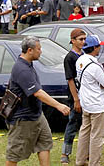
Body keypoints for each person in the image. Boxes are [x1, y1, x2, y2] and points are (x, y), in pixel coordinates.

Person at [5, 36, 70, 166]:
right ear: (30, 50)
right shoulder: (22, 69)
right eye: (39, 49)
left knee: (45, 143)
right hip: (23, 119)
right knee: (15, 154)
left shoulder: (28, 64)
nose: (41, 51)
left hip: (37, 115)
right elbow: (37, 93)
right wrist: (58, 105)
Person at [75, 35, 104, 166]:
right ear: (95, 48)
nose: (100, 48)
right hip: (96, 104)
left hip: (85, 101)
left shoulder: (80, 60)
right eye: (98, 46)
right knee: (97, 136)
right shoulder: (95, 65)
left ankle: (80, 160)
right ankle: (94, 163)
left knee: (84, 132)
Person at [60, 29, 87, 165]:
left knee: (86, 126)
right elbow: (70, 80)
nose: (83, 42)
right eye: (80, 39)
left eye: (84, 39)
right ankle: (65, 153)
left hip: (87, 96)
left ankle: (85, 153)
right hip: (75, 97)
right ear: (73, 40)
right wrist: (76, 99)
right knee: (72, 124)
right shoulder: (69, 57)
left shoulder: (84, 55)